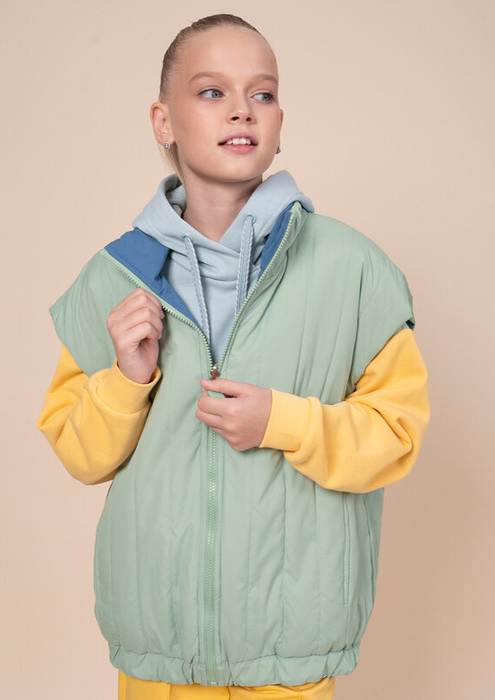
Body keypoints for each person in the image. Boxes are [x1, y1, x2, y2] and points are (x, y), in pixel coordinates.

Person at [37, 14, 430, 700]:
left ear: (279, 122)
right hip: (159, 658)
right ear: (163, 121)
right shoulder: (114, 277)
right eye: (212, 91)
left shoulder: (353, 270)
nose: (242, 109)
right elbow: (80, 454)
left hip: (290, 656)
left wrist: (282, 422)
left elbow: (396, 433)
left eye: (263, 93)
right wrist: (126, 381)